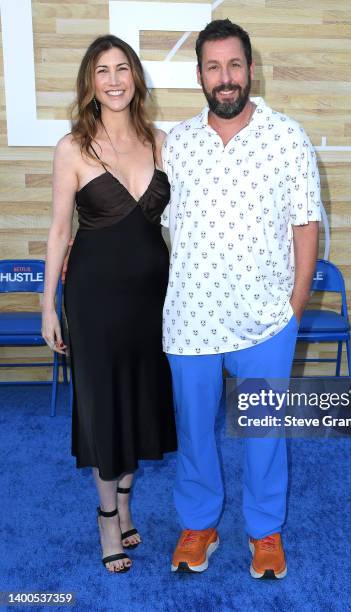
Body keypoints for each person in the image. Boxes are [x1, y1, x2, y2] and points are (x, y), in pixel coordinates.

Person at [161, 19, 321, 579]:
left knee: (264, 433)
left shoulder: (287, 137)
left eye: (234, 65)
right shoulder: (176, 143)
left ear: (250, 69)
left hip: (265, 321)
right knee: (194, 430)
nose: (225, 77)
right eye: (213, 66)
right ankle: (199, 525)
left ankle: (265, 531)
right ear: (199, 73)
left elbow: (306, 226)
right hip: (190, 321)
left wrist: (294, 311)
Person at [41, 35, 176, 574]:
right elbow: (57, 232)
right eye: (103, 71)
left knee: (136, 398)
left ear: (137, 78)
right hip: (93, 299)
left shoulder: (164, 142)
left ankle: (124, 505)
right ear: (90, 82)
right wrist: (48, 304)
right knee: (102, 404)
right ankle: (105, 519)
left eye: (124, 68)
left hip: (152, 301)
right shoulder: (72, 147)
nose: (115, 79)